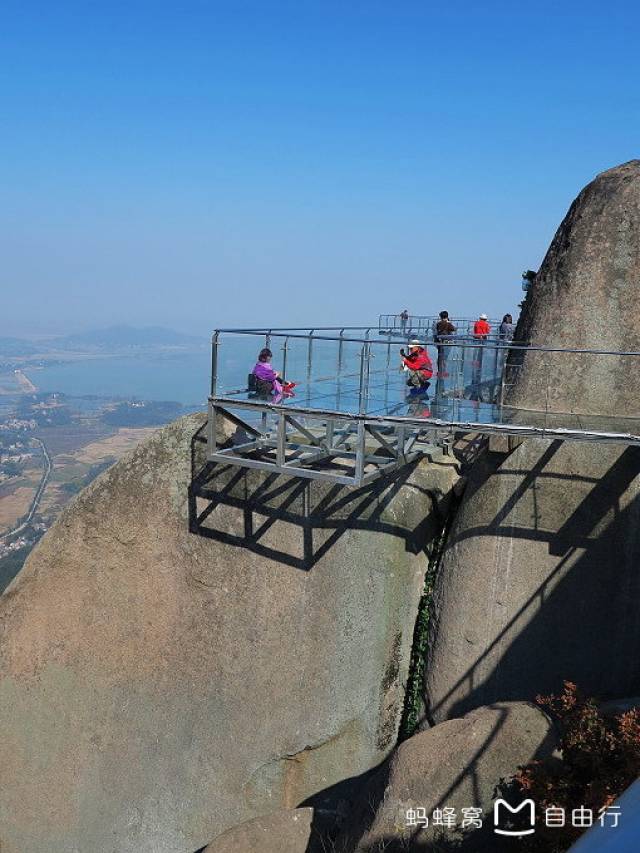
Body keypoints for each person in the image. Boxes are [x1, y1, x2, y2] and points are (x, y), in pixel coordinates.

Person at [434, 310, 457, 377]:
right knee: (445, 357)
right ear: (447, 316)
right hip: (447, 342)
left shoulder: (438, 324)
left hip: (440, 342)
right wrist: (449, 322)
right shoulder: (448, 324)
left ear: (440, 317)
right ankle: (443, 371)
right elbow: (454, 329)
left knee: (440, 356)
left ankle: (439, 370)